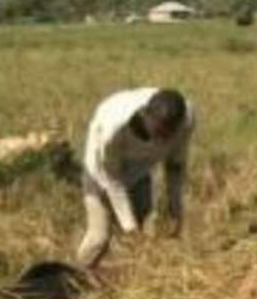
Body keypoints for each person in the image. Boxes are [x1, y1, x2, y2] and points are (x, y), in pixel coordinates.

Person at [76, 87, 195, 269]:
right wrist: (130, 228)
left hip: (139, 169)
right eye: (159, 132)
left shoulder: (187, 119)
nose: (163, 140)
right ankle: (78, 276)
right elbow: (112, 180)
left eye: (169, 134)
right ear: (145, 116)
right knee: (100, 236)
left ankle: (131, 278)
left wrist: (175, 211)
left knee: (142, 226)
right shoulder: (113, 129)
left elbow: (175, 166)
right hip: (102, 172)